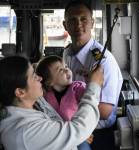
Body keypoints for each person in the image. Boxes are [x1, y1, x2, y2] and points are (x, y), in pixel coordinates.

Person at [0, 55, 103, 150]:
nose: (40, 78)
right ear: (20, 92)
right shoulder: (25, 133)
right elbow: (78, 130)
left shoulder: (33, 102)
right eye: (33, 76)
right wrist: (94, 85)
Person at [63, 0, 123, 149]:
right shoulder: (67, 53)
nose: (78, 25)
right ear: (65, 26)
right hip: (71, 128)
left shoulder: (103, 61)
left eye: (83, 19)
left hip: (97, 135)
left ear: (92, 23)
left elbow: (104, 112)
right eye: (72, 20)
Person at [36, 55, 92, 150]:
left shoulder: (77, 88)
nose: (66, 70)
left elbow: (91, 98)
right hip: (56, 136)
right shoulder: (45, 96)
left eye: (66, 66)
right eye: (60, 70)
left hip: (77, 135)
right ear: (49, 82)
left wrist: (90, 81)